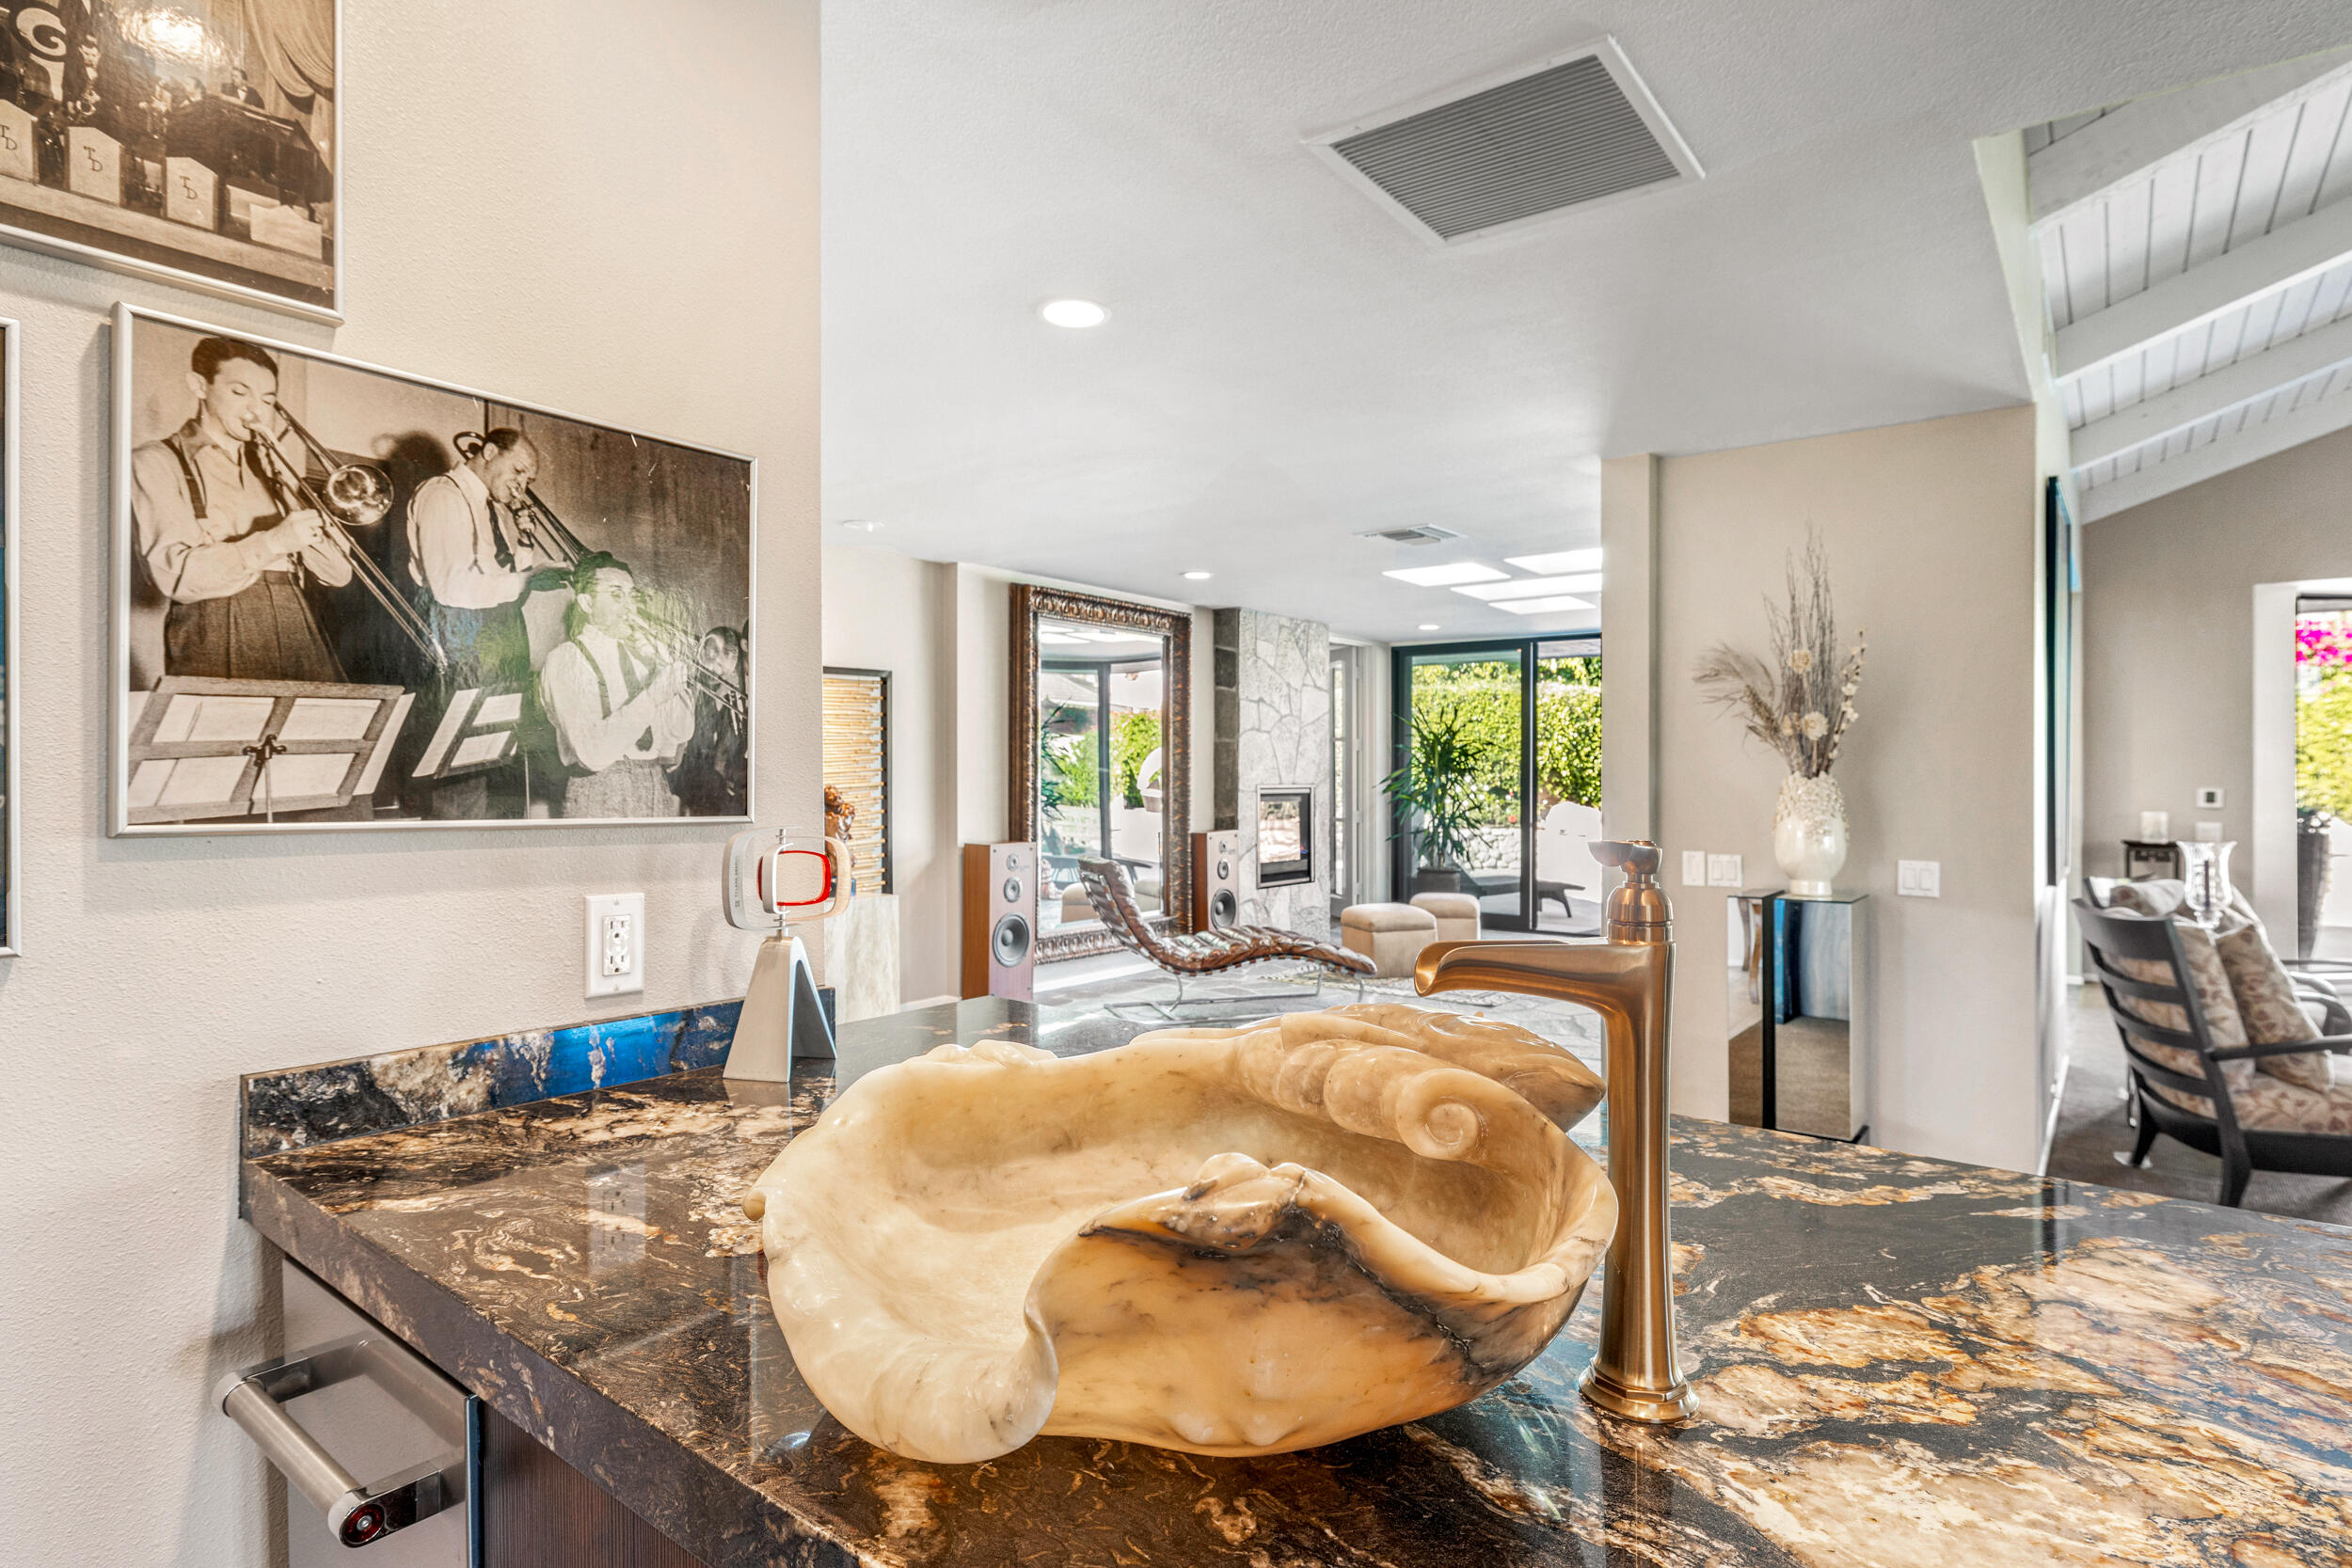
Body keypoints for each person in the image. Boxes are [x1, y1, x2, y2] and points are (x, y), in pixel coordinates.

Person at [129, 335, 351, 682]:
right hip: (216, 627)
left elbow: (339, 574)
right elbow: (177, 577)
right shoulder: (156, 461)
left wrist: (288, 486)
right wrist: (274, 543)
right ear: (200, 386)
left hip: (295, 620)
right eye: (239, 392)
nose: (256, 411)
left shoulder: (271, 467)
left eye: (267, 399)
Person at [401, 428, 545, 816]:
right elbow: (450, 588)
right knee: (456, 777)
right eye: (517, 471)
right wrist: (525, 580)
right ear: (489, 452)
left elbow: (503, 588)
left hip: (488, 647)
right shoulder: (444, 495)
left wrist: (526, 545)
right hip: (455, 642)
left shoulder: (489, 508)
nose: (521, 485)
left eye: (528, 480)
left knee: (484, 770)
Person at [537, 552, 695, 819]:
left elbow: (680, 732)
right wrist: (653, 695)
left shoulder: (643, 653)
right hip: (598, 788)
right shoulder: (566, 659)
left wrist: (666, 665)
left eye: (631, 596)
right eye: (616, 595)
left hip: (654, 782)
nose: (629, 607)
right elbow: (591, 753)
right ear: (587, 603)